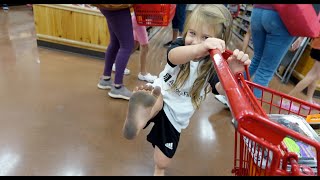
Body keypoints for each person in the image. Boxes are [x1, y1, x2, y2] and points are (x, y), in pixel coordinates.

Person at [122, 4, 251, 176]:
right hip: (160, 94)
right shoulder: (181, 46)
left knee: (163, 160)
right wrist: (199, 49)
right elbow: (172, 56)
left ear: (220, 41)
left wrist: (232, 73)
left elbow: (220, 89)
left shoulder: (213, 65)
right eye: (192, 33)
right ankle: (143, 113)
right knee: (156, 98)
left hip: (177, 115)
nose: (196, 41)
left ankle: (158, 170)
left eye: (205, 37)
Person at [247, 4, 295, 98]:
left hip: (258, 11)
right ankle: (249, 108)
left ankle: (231, 96)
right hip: (282, 16)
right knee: (265, 69)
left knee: (256, 59)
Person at [96, 4, 134, 100]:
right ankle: (118, 87)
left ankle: (106, 78)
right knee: (127, 45)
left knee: (115, 42)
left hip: (107, 7)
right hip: (118, 7)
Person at [281, 37, 320, 112]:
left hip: (317, 44)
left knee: (315, 75)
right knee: (313, 75)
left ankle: (308, 100)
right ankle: (286, 100)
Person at [130, 13, 157, 83]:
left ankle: (116, 63)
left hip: (139, 19)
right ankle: (143, 73)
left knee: (135, 45)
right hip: (139, 21)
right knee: (145, 47)